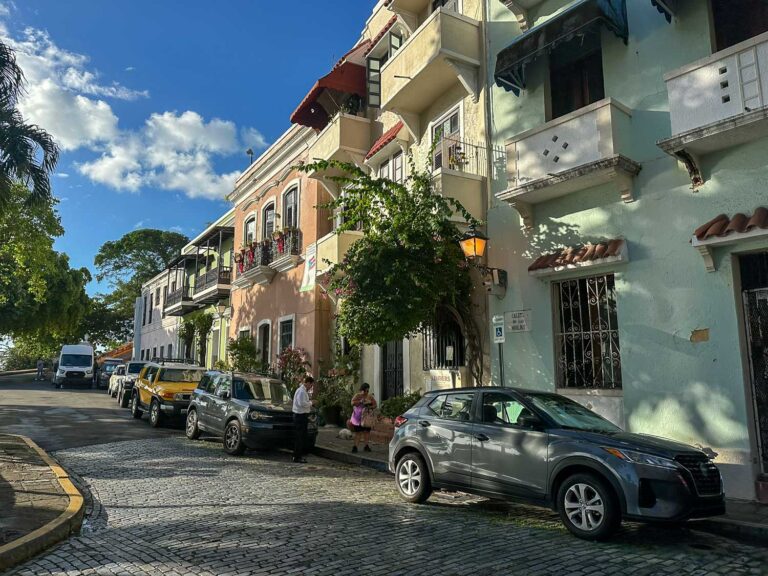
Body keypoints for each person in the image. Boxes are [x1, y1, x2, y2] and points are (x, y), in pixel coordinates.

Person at [292, 375, 314, 464]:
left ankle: (298, 455)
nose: (311, 387)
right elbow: (302, 404)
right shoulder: (301, 391)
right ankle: (297, 456)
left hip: (301, 416)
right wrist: (311, 402)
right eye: (311, 385)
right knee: (300, 437)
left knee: (301, 436)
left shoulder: (302, 391)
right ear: (308, 383)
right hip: (300, 416)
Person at [350, 383, 377, 453]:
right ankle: (355, 446)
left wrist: (369, 406)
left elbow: (375, 405)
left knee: (367, 432)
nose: (366, 392)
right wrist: (360, 401)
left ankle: (366, 446)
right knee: (358, 432)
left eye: (367, 391)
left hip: (366, 418)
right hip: (358, 418)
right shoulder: (357, 395)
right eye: (365, 391)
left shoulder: (370, 397)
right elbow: (352, 403)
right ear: (361, 390)